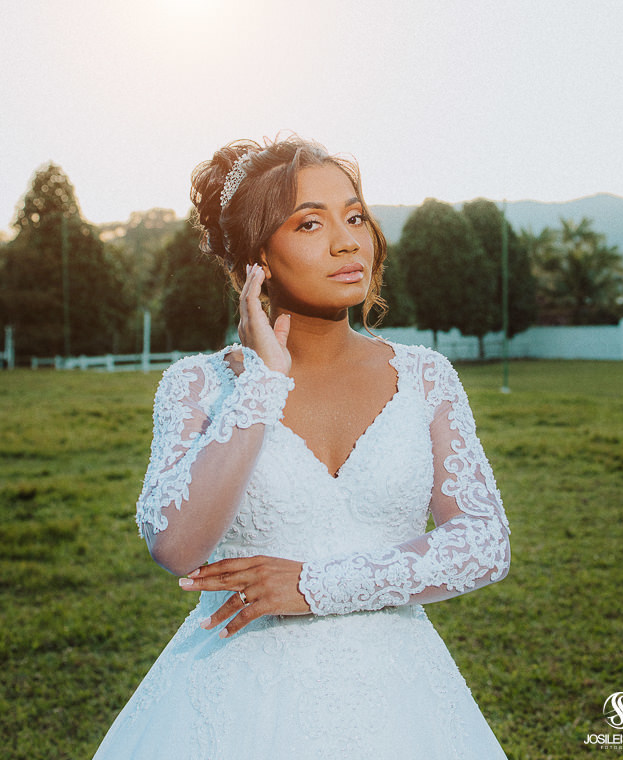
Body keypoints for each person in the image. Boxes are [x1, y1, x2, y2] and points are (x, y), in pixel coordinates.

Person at [92, 135, 511, 760]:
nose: (347, 242)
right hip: (237, 700)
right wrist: (262, 385)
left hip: (400, 700)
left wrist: (318, 585)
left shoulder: (427, 377)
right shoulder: (201, 385)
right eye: (310, 223)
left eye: (355, 216)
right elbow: (176, 547)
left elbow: (484, 543)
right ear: (257, 256)